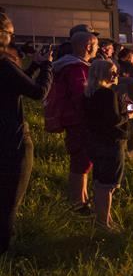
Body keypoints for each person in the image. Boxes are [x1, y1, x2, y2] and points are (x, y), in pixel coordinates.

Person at [0, 12, 53, 254]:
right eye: (10, 34)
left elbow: (16, 85)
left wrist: (33, 66)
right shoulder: (3, 64)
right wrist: (46, 67)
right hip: (11, 139)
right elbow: (38, 92)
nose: (13, 40)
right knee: (8, 201)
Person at [48, 30, 98, 212]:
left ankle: (82, 199)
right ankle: (77, 203)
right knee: (81, 161)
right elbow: (81, 96)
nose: (97, 49)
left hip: (74, 120)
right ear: (88, 46)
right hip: (78, 121)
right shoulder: (77, 69)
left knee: (83, 161)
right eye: (96, 45)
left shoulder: (69, 66)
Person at [82, 59, 132, 228]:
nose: (116, 75)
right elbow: (114, 120)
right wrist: (128, 114)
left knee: (99, 182)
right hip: (111, 143)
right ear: (102, 74)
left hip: (95, 143)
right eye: (112, 71)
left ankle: (104, 219)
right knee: (108, 185)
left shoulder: (89, 93)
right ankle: (104, 223)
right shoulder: (107, 94)